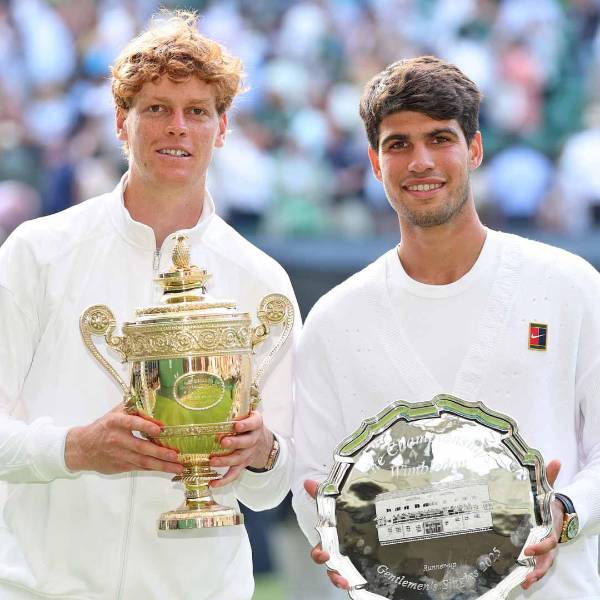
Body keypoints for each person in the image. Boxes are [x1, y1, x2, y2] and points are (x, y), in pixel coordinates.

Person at [0, 11, 299, 600]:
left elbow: (273, 486)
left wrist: (261, 452)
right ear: (122, 122)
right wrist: (75, 448)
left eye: (197, 111)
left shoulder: (262, 280)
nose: (177, 127)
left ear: (221, 129)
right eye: (157, 108)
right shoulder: (37, 252)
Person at [292, 56, 600, 599]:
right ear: (374, 162)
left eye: (440, 139)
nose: (421, 162)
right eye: (399, 144)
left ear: (474, 149)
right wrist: (337, 535)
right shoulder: (336, 319)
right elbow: (311, 478)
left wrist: (565, 512)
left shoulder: (568, 286)